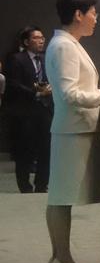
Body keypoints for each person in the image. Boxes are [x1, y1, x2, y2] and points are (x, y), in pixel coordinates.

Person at [44, 0, 100, 263]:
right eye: (93, 12)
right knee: (61, 197)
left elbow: (79, 89)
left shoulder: (69, 43)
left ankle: (61, 256)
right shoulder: (64, 46)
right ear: (78, 14)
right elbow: (70, 94)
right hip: (72, 131)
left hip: (78, 129)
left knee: (62, 196)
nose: (96, 17)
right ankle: (61, 258)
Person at [4, 27, 53, 193]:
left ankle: (42, 185)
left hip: (45, 109)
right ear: (26, 42)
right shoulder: (17, 59)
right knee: (25, 150)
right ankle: (25, 186)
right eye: (36, 38)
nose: (41, 40)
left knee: (46, 149)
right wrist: (36, 92)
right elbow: (14, 84)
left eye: (42, 37)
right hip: (25, 111)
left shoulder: (46, 59)